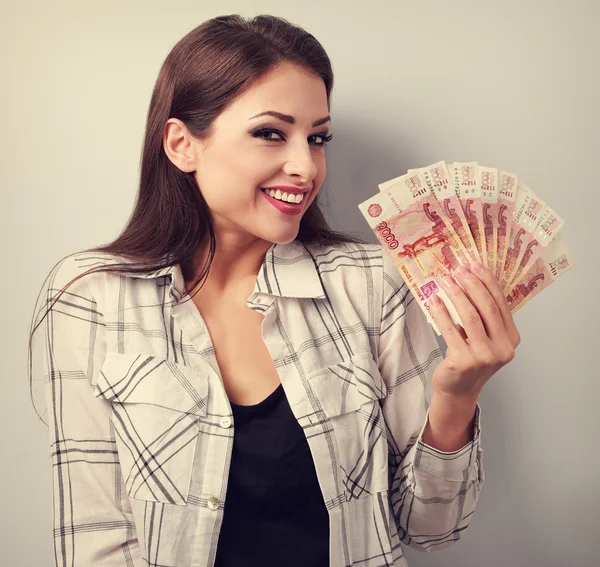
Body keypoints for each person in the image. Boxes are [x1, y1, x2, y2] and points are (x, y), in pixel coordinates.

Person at [28, 14, 520, 567]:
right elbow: (94, 539)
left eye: (317, 138)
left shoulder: (370, 284)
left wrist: (457, 397)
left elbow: (429, 529)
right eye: (270, 133)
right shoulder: (88, 298)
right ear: (182, 144)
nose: (305, 166)